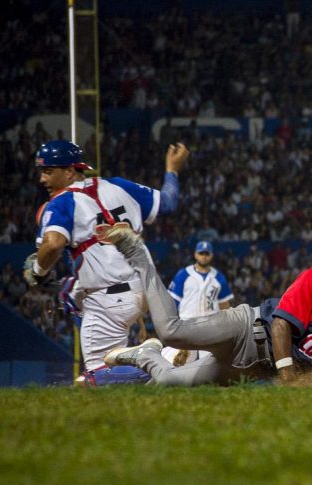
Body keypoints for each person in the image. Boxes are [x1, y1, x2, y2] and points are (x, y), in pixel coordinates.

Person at [104, 232, 312, 386]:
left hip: (255, 368)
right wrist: (287, 375)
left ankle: (144, 356)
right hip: (246, 329)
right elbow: (282, 324)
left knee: (167, 384)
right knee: (171, 332)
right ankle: (139, 254)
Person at [23, 139, 189, 384]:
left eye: (49, 171)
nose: (42, 179)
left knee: (95, 377)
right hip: (143, 289)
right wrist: (172, 169)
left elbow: (54, 244)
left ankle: (160, 360)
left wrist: (38, 269)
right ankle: (140, 356)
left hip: (109, 298)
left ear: (69, 171)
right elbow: (168, 202)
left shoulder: (61, 202)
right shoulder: (118, 185)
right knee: (69, 291)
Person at [162, 240, 234, 366]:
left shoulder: (218, 277)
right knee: (177, 362)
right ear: (195, 254)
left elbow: (225, 306)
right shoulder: (183, 275)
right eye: (201, 253)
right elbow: (172, 303)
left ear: (211, 255)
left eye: (207, 253)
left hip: (211, 327)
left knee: (210, 366)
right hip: (186, 325)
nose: (204, 256)